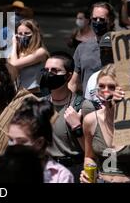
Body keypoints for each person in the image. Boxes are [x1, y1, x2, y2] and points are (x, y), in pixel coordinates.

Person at [80, 64, 130, 183]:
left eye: (112, 87)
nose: (105, 92)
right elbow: (89, 157)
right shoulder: (90, 120)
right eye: (101, 86)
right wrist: (87, 175)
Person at [40, 52, 98, 181]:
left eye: (55, 70)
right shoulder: (39, 105)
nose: (49, 74)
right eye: (46, 70)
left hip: (74, 171)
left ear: (68, 76)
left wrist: (77, 128)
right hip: (47, 171)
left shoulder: (83, 107)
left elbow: (94, 153)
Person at [8, 97, 74, 183]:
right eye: (10, 140)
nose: (14, 147)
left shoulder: (60, 177)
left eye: (22, 141)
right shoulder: (4, 170)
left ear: (39, 142)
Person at [69, 2, 116, 94]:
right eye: (94, 19)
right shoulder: (82, 48)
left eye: (102, 19)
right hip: (88, 105)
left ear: (111, 21)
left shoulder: (121, 46)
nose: (97, 22)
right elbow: (73, 82)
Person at [8, 19, 49, 94]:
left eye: (27, 33)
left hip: (34, 94)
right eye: (20, 33)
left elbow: (14, 64)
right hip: (17, 94)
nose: (23, 36)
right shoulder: (17, 53)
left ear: (35, 34)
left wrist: (14, 44)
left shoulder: (40, 52)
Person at [84, 32, 114, 102]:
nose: (106, 55)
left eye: (111, 51)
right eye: (103, 50)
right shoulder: (93, 78)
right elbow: (87, 107)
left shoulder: (128, 78)